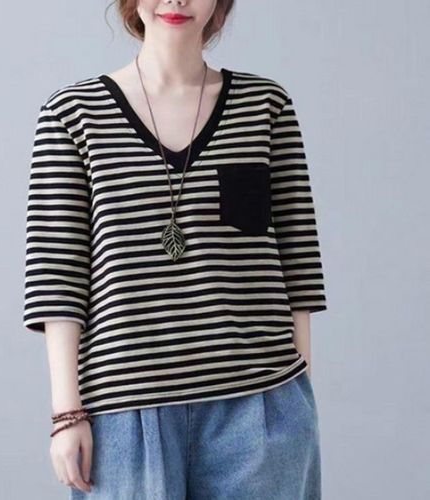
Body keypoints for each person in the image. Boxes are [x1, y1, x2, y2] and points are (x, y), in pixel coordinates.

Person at [22, 0, 328, 498]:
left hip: (258, 405)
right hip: (125, 413)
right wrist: (67, 413)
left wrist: (297, 403)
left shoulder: (265, 105)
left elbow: (299, 262)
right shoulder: (73, 114)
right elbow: (57, 275)